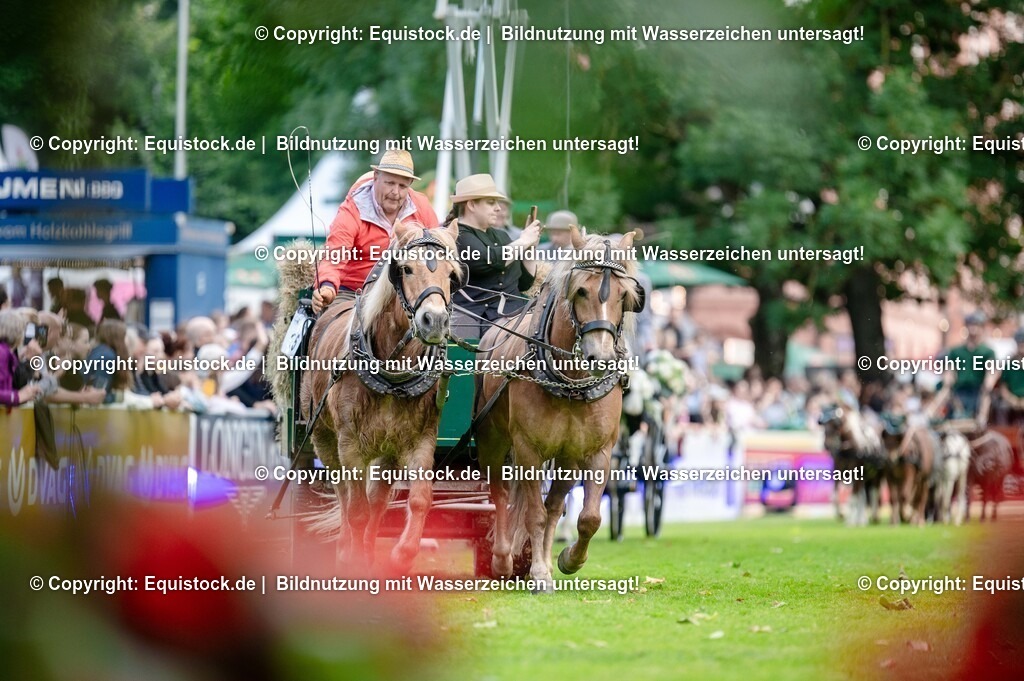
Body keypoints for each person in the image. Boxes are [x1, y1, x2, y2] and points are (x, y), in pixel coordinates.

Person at [312, 150, 439, 313]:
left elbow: (437, 252)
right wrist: (328, 286)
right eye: (390, 183)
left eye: (402, 186)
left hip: (402, 297)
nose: (396, 192)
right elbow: (335, 255)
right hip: (352, 294)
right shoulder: (352, 210)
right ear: (376, 177)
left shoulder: (421, 207)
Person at [447, 173, 541, 338]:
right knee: (462, 355)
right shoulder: (456, 235)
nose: (498, 208)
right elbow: (489, 259)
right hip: (471, 315)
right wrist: (523, 241)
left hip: (516, 314)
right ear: (471, 205)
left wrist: (530, 246)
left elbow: (524, 283)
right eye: (491, 202)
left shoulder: (501, 236)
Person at [929, 311, 996, 422]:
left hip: (977, 393)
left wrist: (989, 382)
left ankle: (981, 419)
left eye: (977, 326)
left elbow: (990, 375)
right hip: (959, 392)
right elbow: (949, 373)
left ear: (982, 328)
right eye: (971, 325)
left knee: (986, 392)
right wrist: (948, 379)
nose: (973, 329)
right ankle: (929, 415)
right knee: (945, 390)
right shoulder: (956, 351)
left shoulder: (987, 352)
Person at [0, 310, 42, 407]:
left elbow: (8, 387)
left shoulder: (8, 354)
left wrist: (26, 393)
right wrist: (18, 396)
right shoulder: (2, 352)